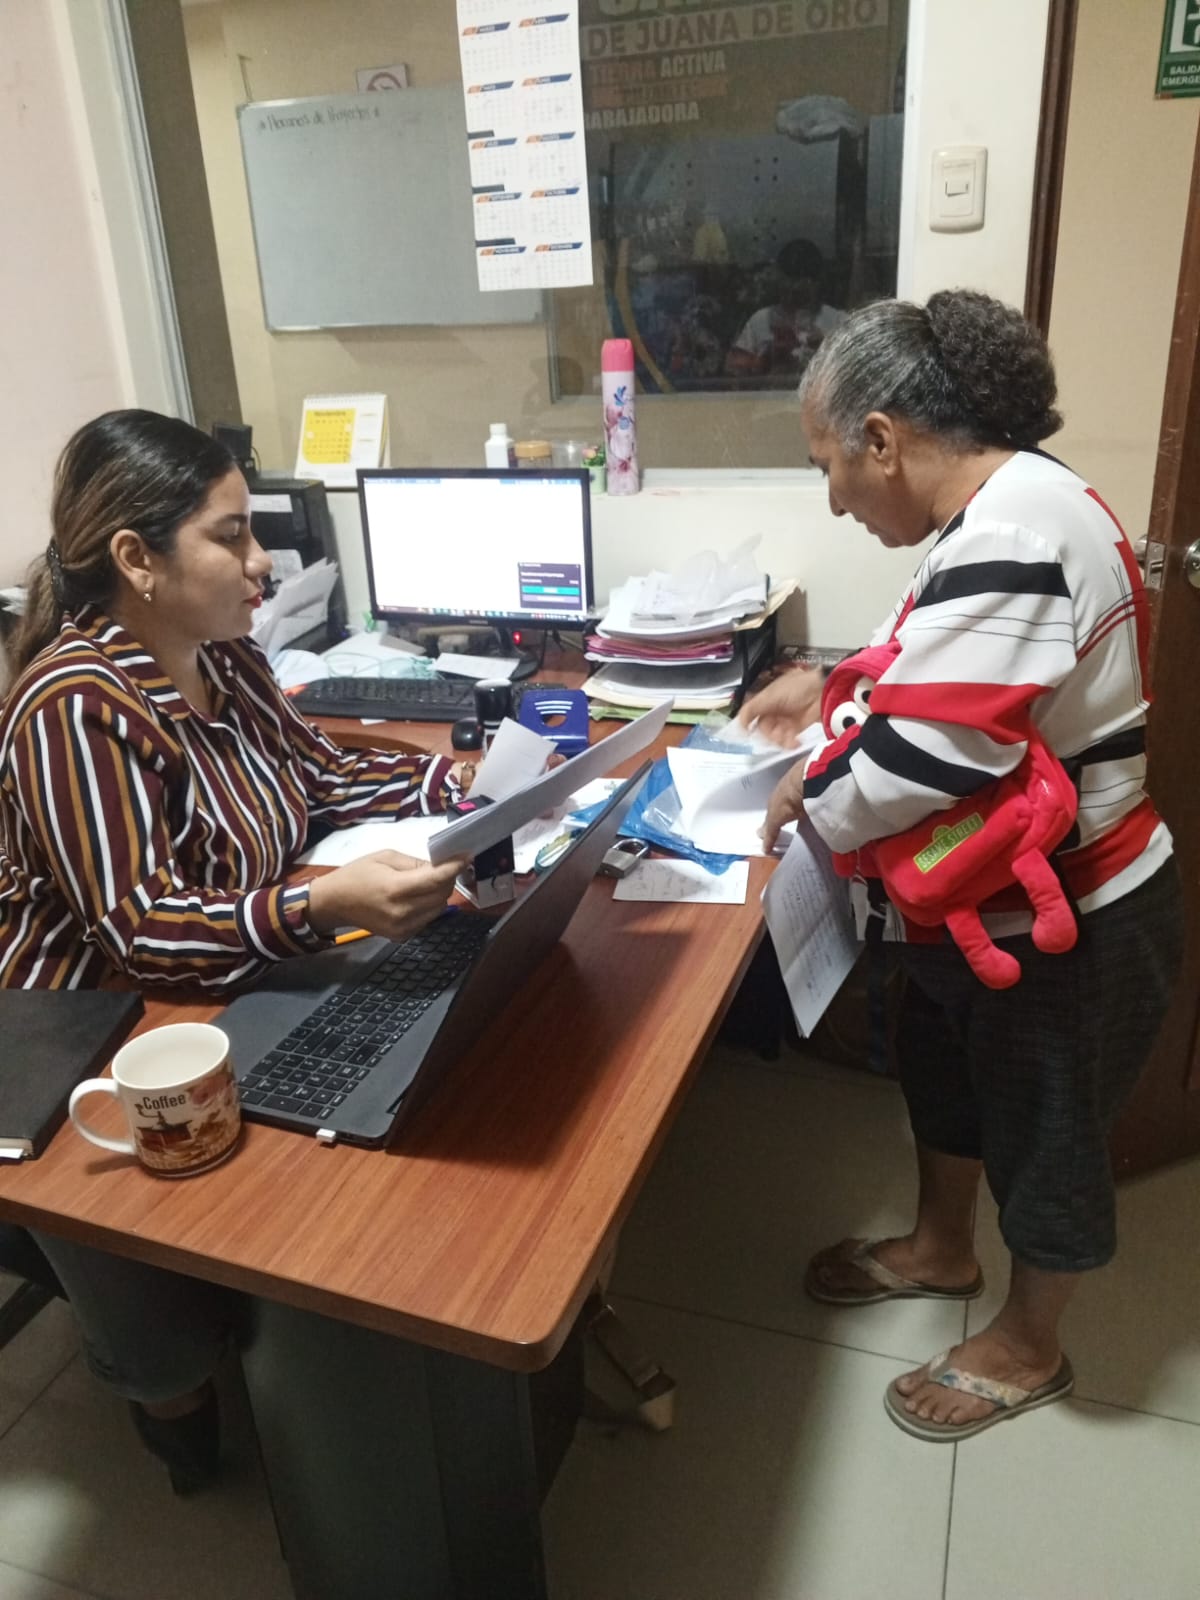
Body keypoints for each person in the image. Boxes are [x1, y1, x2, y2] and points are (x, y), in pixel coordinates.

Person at [740, 290, 1183, 1443]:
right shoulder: (1004, 510)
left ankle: (1031, 1346)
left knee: (1049, 1132)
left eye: (831, 465)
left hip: (1070, 917)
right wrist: (834, 683)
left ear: (883, 439)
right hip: (986, 908)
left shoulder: (1015, 535)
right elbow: (942, 664)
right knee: (945, 1072)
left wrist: (805, 795)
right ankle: (942, 1249)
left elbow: (928, 753)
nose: (834, 498)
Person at [0, 409, 470, 1490]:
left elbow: (319, 778)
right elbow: (142, 927)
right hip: (90, 1036)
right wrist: (321, 905)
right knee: (171, 1347)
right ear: (137, 559)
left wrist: (455, 787)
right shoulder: (76, 706)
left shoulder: (229, 659)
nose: (263, 562)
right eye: (231, 536)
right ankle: (171, 1408)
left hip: (221, 985)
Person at [725, 239, 845, 380]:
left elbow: (855, 370)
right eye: (789, 279)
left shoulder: (838, 322)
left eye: (802, 281)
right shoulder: (760, 321)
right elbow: (732, 370)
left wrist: (826, 351)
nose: (794, 288)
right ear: (779, 278)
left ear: (817, 282)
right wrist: (766, 358)